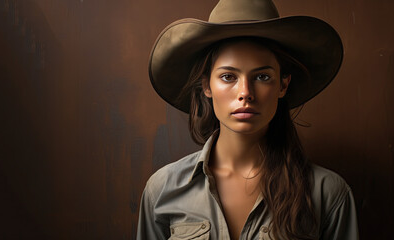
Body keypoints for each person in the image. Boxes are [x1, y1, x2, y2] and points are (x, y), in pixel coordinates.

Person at [137, 0, 359, 239]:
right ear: (206, 86)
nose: (245, 92)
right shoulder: (162, 190)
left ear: (283, 84)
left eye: (262, 76)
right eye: (228, 76)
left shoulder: (328, 194)